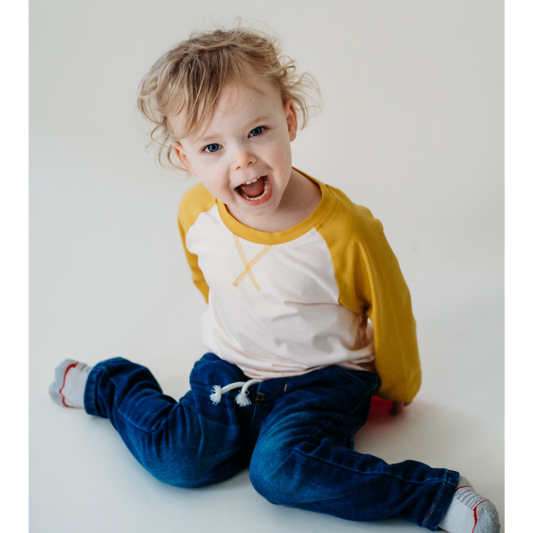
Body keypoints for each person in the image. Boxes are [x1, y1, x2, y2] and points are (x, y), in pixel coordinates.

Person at [49, 26, 500, 532]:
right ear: (185, 158)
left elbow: (390, 308)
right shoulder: (197, 211)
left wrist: (398, 384)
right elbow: (210, 279)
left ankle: (433, 497)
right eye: (212, 147)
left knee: (278, 471)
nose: (240, 158)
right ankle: (110, 384)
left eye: (256, 132)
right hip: (232, 368)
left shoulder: (346, 231)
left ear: (289, 118)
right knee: (178, 460)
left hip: (323, 378)